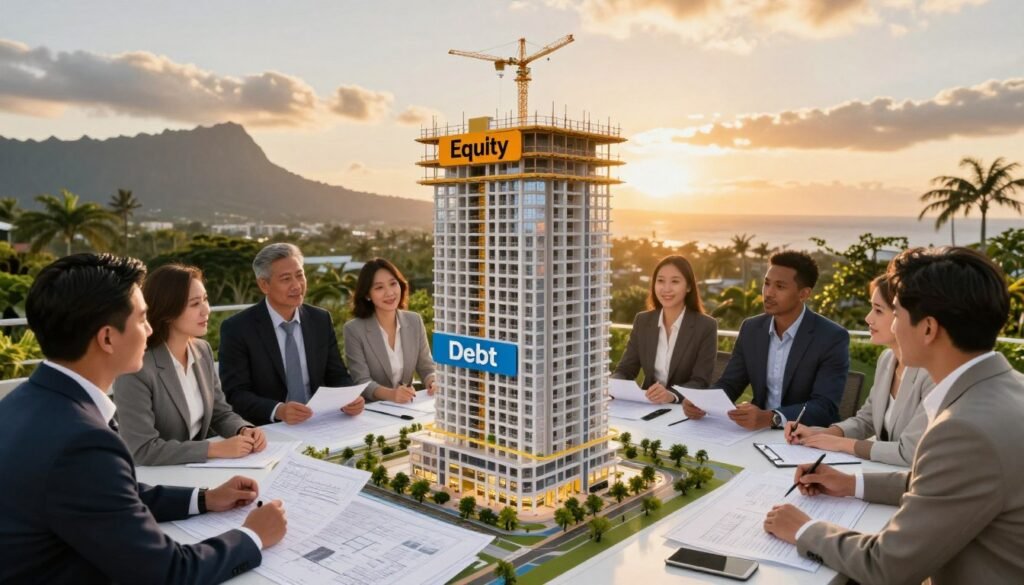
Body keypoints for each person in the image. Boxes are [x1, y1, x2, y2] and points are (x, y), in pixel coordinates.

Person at [0, 254, 286, 584]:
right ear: (107, 338)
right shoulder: (81, 441)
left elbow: (113, 494)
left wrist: (204, 498)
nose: (150, 330)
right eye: (142, 319)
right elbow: (168, 572)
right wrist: (252, 536)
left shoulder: (23, 403)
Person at [764, 247, 1024, 584]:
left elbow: (887, 566)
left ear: (928, 329)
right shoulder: (1009, 387)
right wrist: (850, 483)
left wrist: (805, 530)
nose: (890, 324)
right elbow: (940, 483)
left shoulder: (964, 429)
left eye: (896, 314)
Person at [113, 264, 267, 466]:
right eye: (195, 304)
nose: (206, 310)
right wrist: (213, 449)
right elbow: (142, 449)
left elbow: (220, 413)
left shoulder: (201, 350)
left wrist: (243, 429)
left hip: (197, 469)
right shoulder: (136, 368)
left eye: (205, 299)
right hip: (154, 477)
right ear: (168, 311)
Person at [686, 251, 849, 429]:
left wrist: (772, 417)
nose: (768, 293)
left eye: (780, 287)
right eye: (767, 283)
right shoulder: (751, 329)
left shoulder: (831, 337)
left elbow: (825, 406)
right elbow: (730, 383)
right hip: (757, 432)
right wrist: (702, 402)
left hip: (808, 435)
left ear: (803, 294)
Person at [785, 274, 934, 466]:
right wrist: (822, 434)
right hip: (879, 471)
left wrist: (841, 443)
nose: (868, 318)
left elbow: (911, 451)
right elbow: (867, 419)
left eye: (878, 311)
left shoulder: (931, 373)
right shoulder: (887, 360)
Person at [220, 243, 363, 425]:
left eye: (300, 275)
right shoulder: (238, 328)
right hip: (270, 427)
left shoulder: (319, 319)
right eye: (286, 279)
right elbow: (235, 393)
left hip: (319, 421)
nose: (297, 285)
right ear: (264, 285)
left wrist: (349, 396)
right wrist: (278, 410)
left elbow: (337, 374)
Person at [611, 255, 717, 403]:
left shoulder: (705, 326)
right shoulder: (643, 321)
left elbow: (700, 381)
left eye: (675, 281)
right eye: (660, 281)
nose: (666, 288)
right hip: (647, 405)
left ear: (688, 287)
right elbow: (625, 370)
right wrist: (612, 386)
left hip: (683, 409)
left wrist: (671, 395)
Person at [343, 258, 436, 403]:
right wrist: (392, 395)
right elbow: (361, 381)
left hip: (408, 407)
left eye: (393, 284)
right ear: (367, 295)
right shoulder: (354, 330)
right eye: (379, 287)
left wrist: (433, 381)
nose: (389, 293)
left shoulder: (414, 321)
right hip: (373, 411)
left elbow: (427, 367)